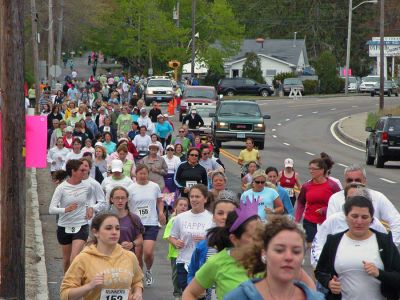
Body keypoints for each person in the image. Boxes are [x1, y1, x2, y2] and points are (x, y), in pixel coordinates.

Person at [315, 196, 400, 300]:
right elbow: (320, 271)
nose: (359, 221)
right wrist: (329, 283)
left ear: (371, 219)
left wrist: (379, 273)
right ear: (346, 217)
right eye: (354, 216)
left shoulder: (385, 242)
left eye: (364, 217)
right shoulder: (333, 241)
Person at [225, 216, 324, 300]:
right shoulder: (239, 297)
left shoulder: (316, 298)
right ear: (264, 252)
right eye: (279, 250)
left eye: (296, 251)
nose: (289, 257)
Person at [182, 196, 260, 300]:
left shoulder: (269, 261)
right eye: (220, 213)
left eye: (262, 234)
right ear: (235, 239)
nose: (225, 217)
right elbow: (192, 278)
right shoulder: (213, 256)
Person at [60, 213, 144, 300]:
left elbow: (137, 281)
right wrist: (89, 286)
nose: (114, 232)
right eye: (108, 228)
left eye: (117, 228)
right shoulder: (83, 258)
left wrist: (138, 293)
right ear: (95, 232)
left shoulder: (129, 256)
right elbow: (65, 294)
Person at [311, 183, 387, 268]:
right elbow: (317, 245)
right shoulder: (334, 220)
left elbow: (388, 254)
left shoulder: (376, 225)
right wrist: (325, 270)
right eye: (349, 198)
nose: (359, 221)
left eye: (358, 198)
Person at [326, 164, 400, 245]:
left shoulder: (378, 197)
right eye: (349, 180)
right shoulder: (335, 199)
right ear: (345, 181)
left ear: (364, 181)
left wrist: (392, 246)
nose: (353, 183)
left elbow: (396, 221)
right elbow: (330, 227)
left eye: (357, 180)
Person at [187, 193, 240, 299]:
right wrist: (195, 288)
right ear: (213, 217)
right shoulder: (204, 246)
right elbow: (192, 272)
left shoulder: (245, 245)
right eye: (220, 213)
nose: (225, 217)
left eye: (230, 214)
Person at [49, 159, 93, 272]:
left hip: (81, 225)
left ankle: (75, 285)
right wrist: (66, 209)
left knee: (75, 258)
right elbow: (51, 209)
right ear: (73, 171)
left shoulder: (87, 186)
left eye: (85, 170)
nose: (85, 172)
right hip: (64, 226)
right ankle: (67, 283)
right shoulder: (61, 188)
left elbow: (89, 199)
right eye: (81, 170)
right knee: (67, 261)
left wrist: (90, 208)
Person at [169, 184, 213, 292]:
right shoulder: (180, 218)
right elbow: (172, 236)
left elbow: (218, 242)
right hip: (184, 261)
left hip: (205, 263)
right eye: (192, 196)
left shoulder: (212, 218)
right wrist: (176, 242)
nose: (194, 199)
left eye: (197, 197)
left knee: (202, 294)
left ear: (205, 199)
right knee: (187, 292)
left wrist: (205, 241)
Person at [129, 164, 166, 286]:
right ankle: (139, 278)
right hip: (136, 225)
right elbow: (126, 205)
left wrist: (161, 213)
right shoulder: (131, 188)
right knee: (138, 254)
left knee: (148, 252)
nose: (143, 176)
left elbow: (160, 201)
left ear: (148, 174)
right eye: (140, 173)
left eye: (145, 173)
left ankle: (148, 270)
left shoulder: (154, 186)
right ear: (136, 174)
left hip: (151, 223)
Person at [295, 158, 341, 247]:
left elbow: (340, 203)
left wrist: (325, 210)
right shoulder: (306, 186)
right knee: (312, 247)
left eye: (314, 169)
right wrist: (297, 220)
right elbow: (301, 202)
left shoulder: (332, 186)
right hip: (310, 221)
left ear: (322, 170)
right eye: (310, 169)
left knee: (325, 247)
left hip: (327, 222)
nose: (311, 171)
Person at [163, 197, 190, 299]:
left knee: (188, 273)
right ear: (176, 207)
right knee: (176, 275)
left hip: (188, 253)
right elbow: (167, 235)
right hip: (175, 254)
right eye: (180, 205)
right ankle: (177, 294)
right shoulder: (173, 220)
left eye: (185, 205)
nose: (183, 207)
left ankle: (187, 293)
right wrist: (175, 242)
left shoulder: (190, 220)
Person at [109, 186, 144, 256]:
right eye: (117, 198)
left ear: (127, 199)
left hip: (127, 257)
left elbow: (140, 239)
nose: (120, 201)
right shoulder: (105, 218)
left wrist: (132, 244)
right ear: (112, 199)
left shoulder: (134, 218)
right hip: (109, 256)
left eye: (123, 198)